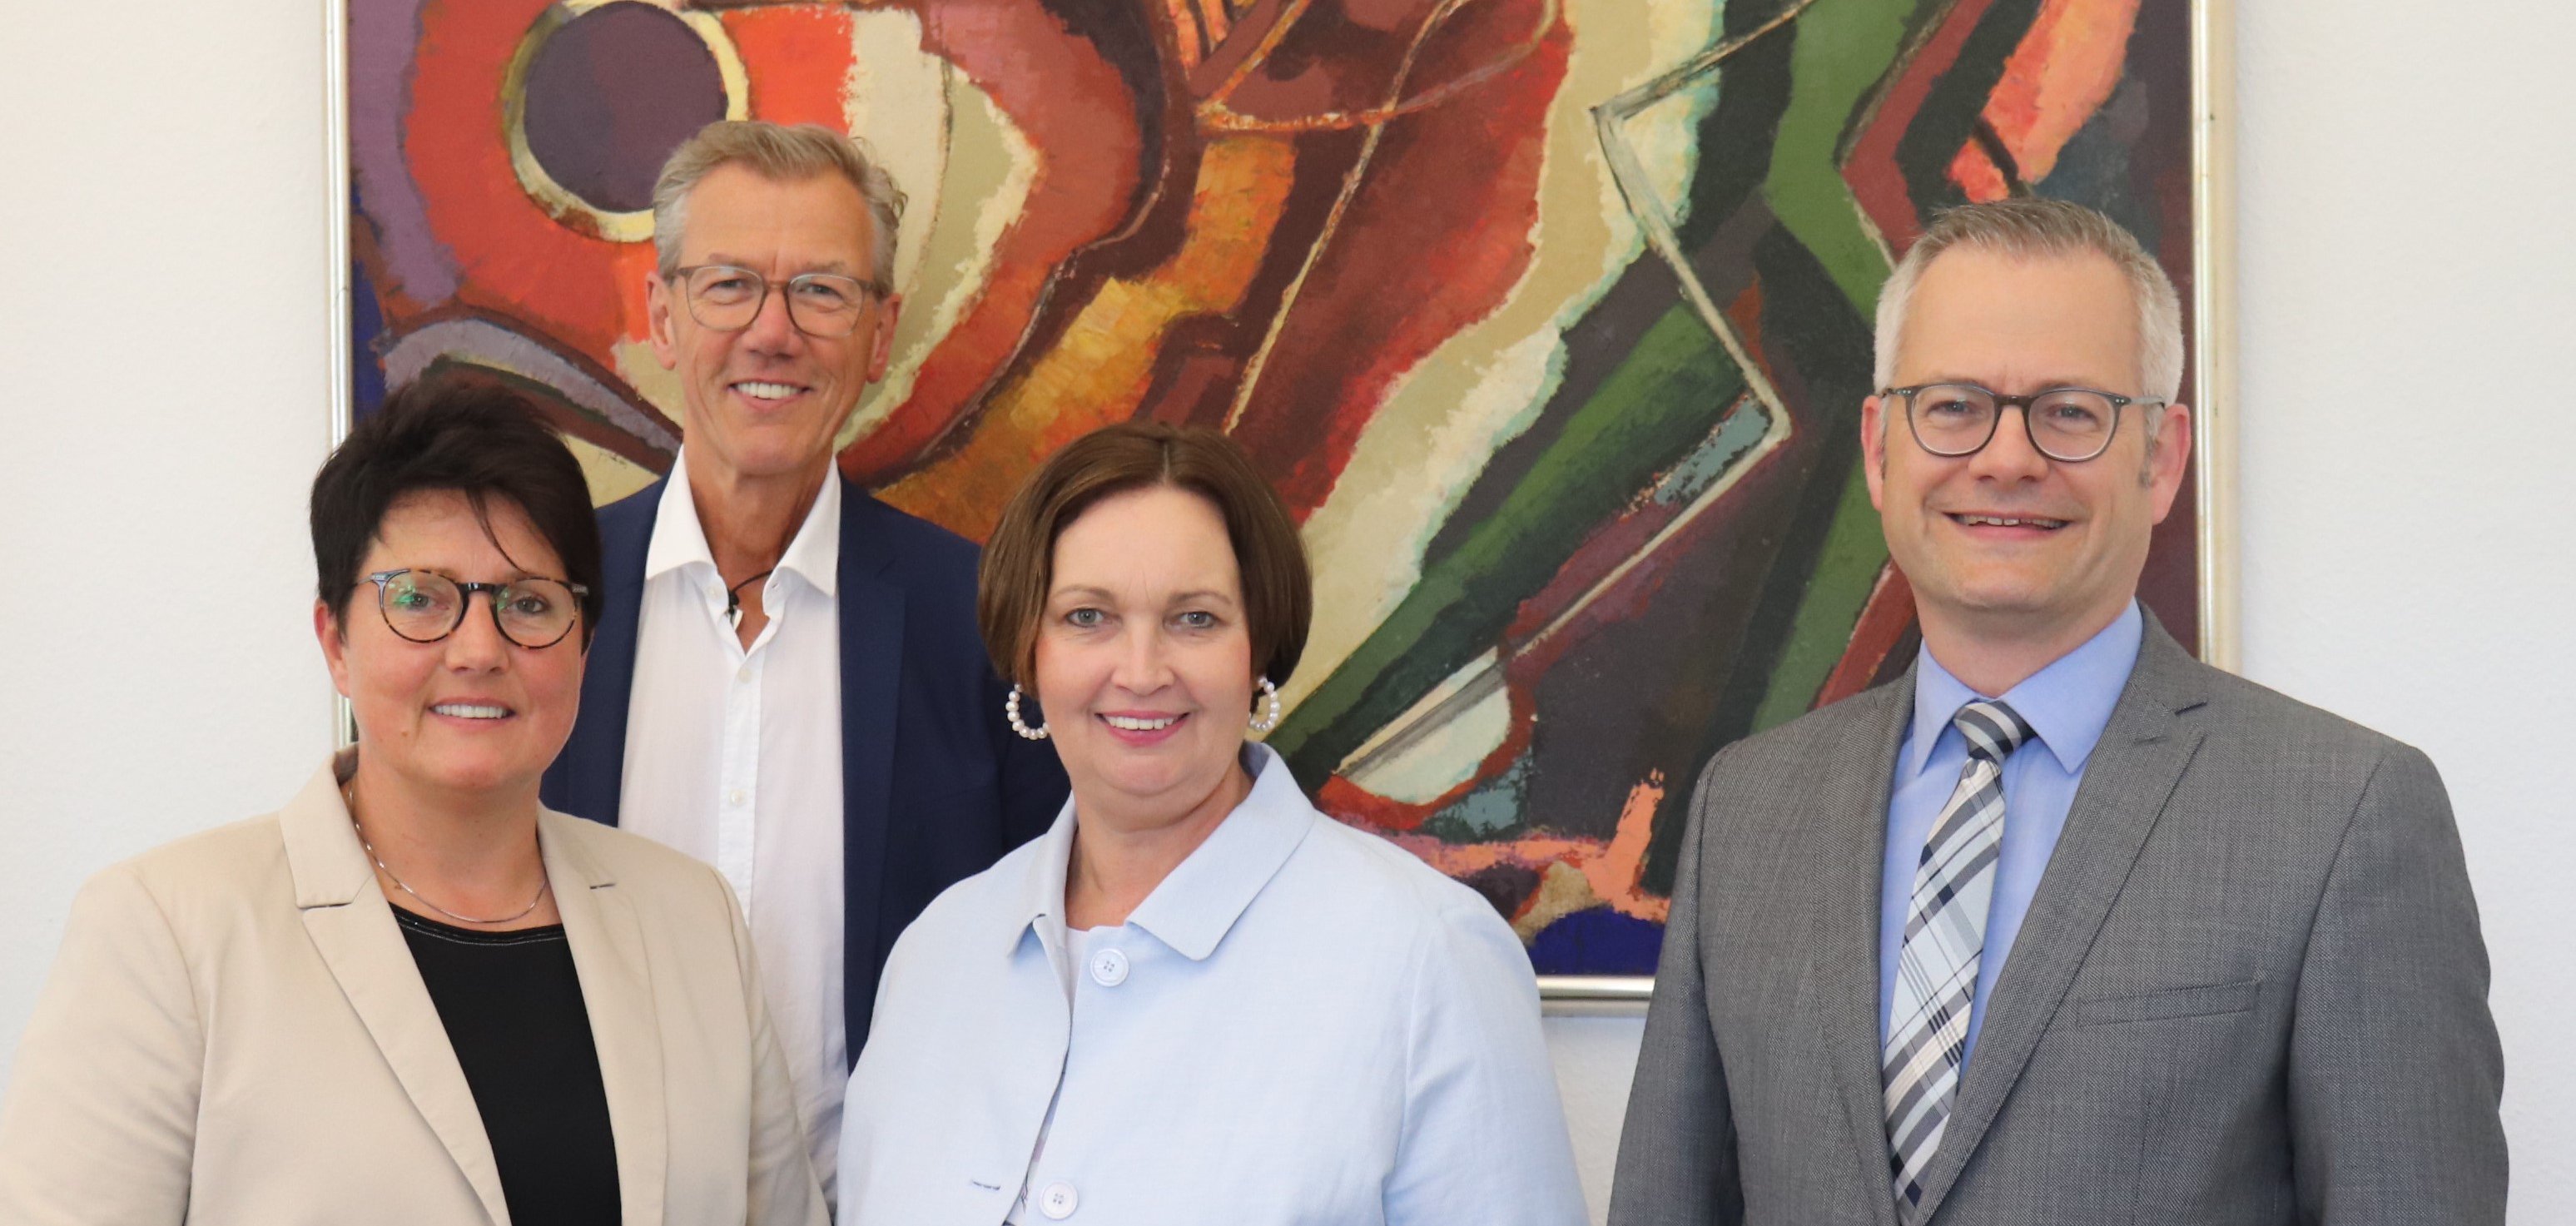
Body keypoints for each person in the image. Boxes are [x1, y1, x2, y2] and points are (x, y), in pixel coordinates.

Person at [1610, 198, 2507, 1224]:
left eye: (2069, 412)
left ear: (2159, 459)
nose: (2004, 458)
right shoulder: (1748, 808)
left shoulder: (2344, 816)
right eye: (1951, 406)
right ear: (1878, 446)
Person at [0, 380, 825, 1224]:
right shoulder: (166, 932)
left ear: (582, 646)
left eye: (528, 603)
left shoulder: (693, 924)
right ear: (336, 643)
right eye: (420, 598)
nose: (478, 648)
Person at [836, 420, 1587, 1224]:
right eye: (1087, 616)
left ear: (1257, 648)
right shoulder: (936, 954)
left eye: (1193, 618)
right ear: (1028, 650)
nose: (1140, 671)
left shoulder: (1427, 957)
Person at [539, 120, 1070, 1196]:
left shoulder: (985, 623)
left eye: (819, 292)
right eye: (729, 284)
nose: (771, 333)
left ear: (878, 335)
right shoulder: (538, 607)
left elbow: (1057, 958)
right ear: (664, 317)